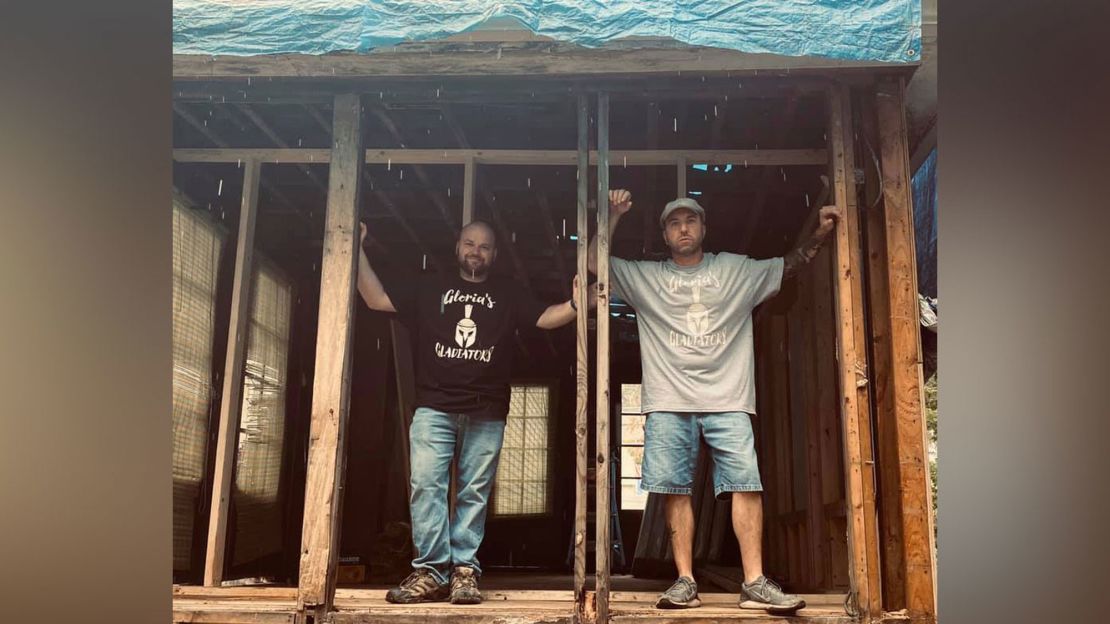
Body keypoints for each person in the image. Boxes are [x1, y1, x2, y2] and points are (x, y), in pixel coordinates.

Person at [588, 189, 841, 614]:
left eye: (690, 221)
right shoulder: (646, 277)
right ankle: (685, 581)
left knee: (746, 482)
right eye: (673, 223)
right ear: (665, 236)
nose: (683, 228)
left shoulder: (735, 270)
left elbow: (791, 264)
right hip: (668, 399)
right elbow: (595, 264)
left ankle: (755, 582)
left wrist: (819, 232)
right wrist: (612, 215)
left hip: (729, 397)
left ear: (704, 228)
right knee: (674, 488)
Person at [356, 219, 590, 605]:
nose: (476, 251)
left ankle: (464, 572)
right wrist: (357, 250)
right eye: (469, 243)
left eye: (484, 246)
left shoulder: (507, 292)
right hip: (434, 407)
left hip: (487, 410)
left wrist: (577, 304)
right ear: (457, 248)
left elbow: (545, 318)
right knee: (426, 485)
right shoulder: (430, 286)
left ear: (495, 254)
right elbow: (376, 298)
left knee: (474, 492)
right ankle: (431, 571)